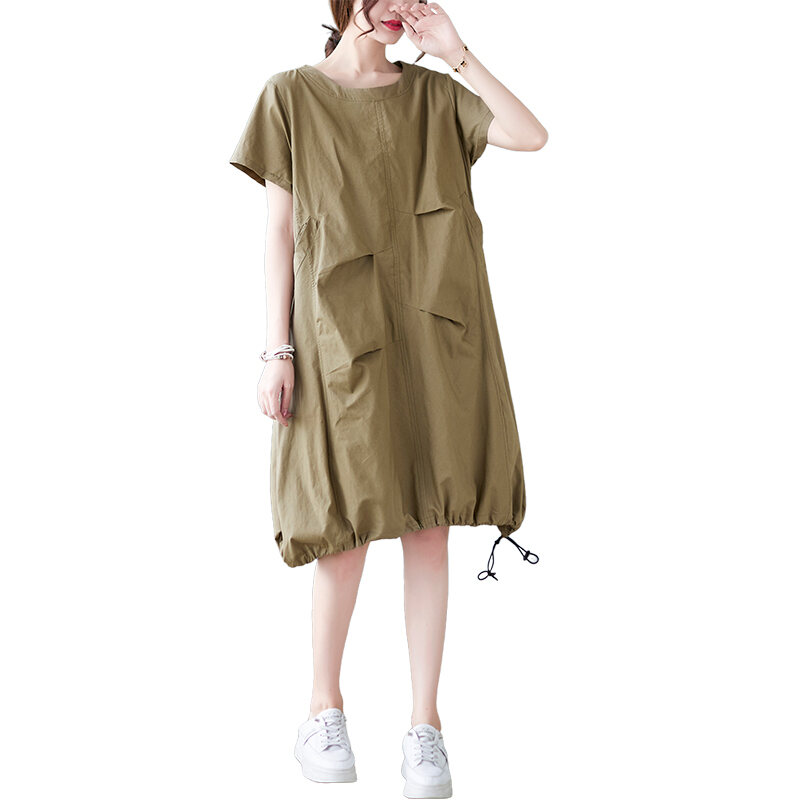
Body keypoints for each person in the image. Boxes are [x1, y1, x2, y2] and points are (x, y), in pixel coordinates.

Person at [229, 1, 547, 796]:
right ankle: (322, 707)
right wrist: (276, 349)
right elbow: (279, 231)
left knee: (431, 526)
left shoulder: (436, 96)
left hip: (437, 336)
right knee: (345, 529)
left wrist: (457, 52)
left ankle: (424, 726)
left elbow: (529, 134)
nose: (401, 6)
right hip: (338, 336)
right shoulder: (290, 95)